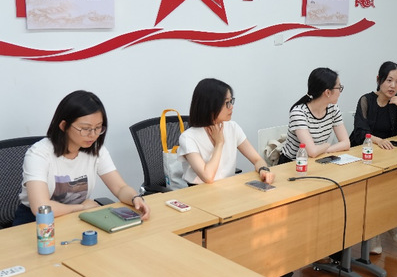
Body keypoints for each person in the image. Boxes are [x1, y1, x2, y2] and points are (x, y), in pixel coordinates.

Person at [12, 90, 150, 226]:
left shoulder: (96, 150)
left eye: (98, 128)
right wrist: (82, 207)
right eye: (85, 128)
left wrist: (135, 198)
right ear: (63, 126)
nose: (93, 135)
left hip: (76, 219)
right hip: (35, 223)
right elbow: (41, 208)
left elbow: (120, 188)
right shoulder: (38, 154)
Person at [350, 61, 397, 251]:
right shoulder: (366, 100)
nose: (393, 86)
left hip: (386, 156)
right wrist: (378, 140)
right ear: (379, 80)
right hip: (361, 155)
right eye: (389, 80)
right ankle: (377, 234)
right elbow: (360, 133)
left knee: (392, 185)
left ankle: (388, 224)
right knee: (377, 187)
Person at [178, 78, 273, 186]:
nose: (231, 107)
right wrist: (219, 143)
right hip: (200, 192)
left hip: (228, 188)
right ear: (211, 105)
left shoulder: (232, 127)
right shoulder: (188, 138)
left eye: (231, 101)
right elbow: (208, 177)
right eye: (227, 103)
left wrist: (263, 170)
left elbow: (257, 159)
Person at [279, 67, 350, 164]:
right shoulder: (299, 113)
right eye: (339, 88)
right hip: (292, 163)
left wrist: (323, 149)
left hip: (317, 160)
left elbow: (346, 143)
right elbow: (312, 151)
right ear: (328, 92)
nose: (340, 91)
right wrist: (326, 145)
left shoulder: (333, 109)